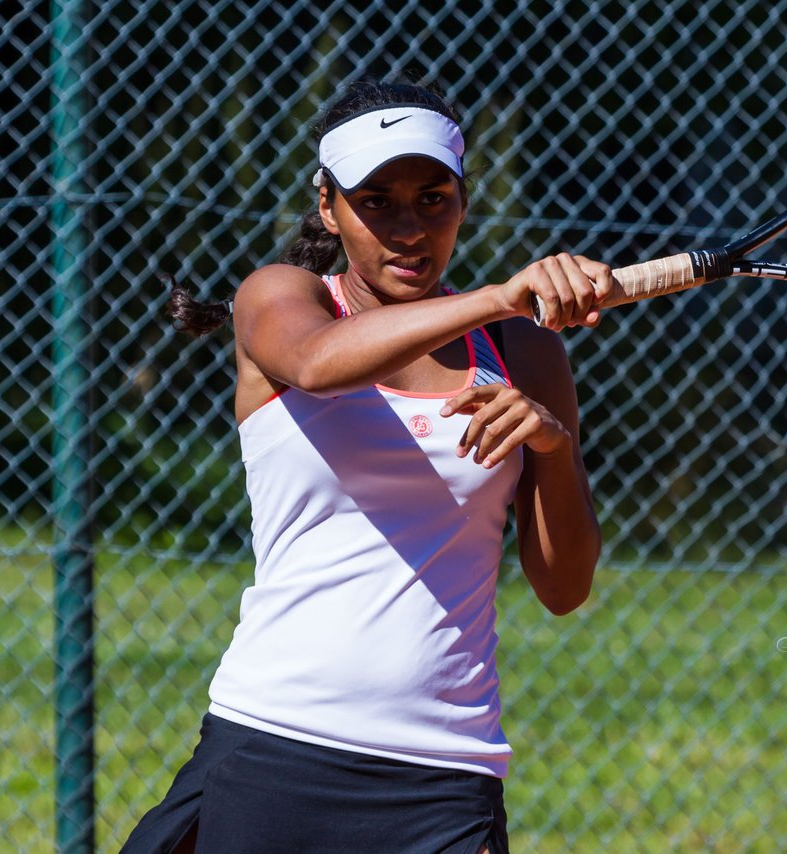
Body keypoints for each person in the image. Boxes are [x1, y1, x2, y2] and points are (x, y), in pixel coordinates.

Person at [123, 80, 607, 853]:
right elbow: (318, 364)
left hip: (446, 773)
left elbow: (564, 587)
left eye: (433, 198)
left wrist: (553, 448)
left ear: (463, 201)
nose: (409, 228)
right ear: (328, 206)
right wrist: (496, 297)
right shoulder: (281, 297)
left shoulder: (524, 349)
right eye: (375, 202)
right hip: (275, 745)